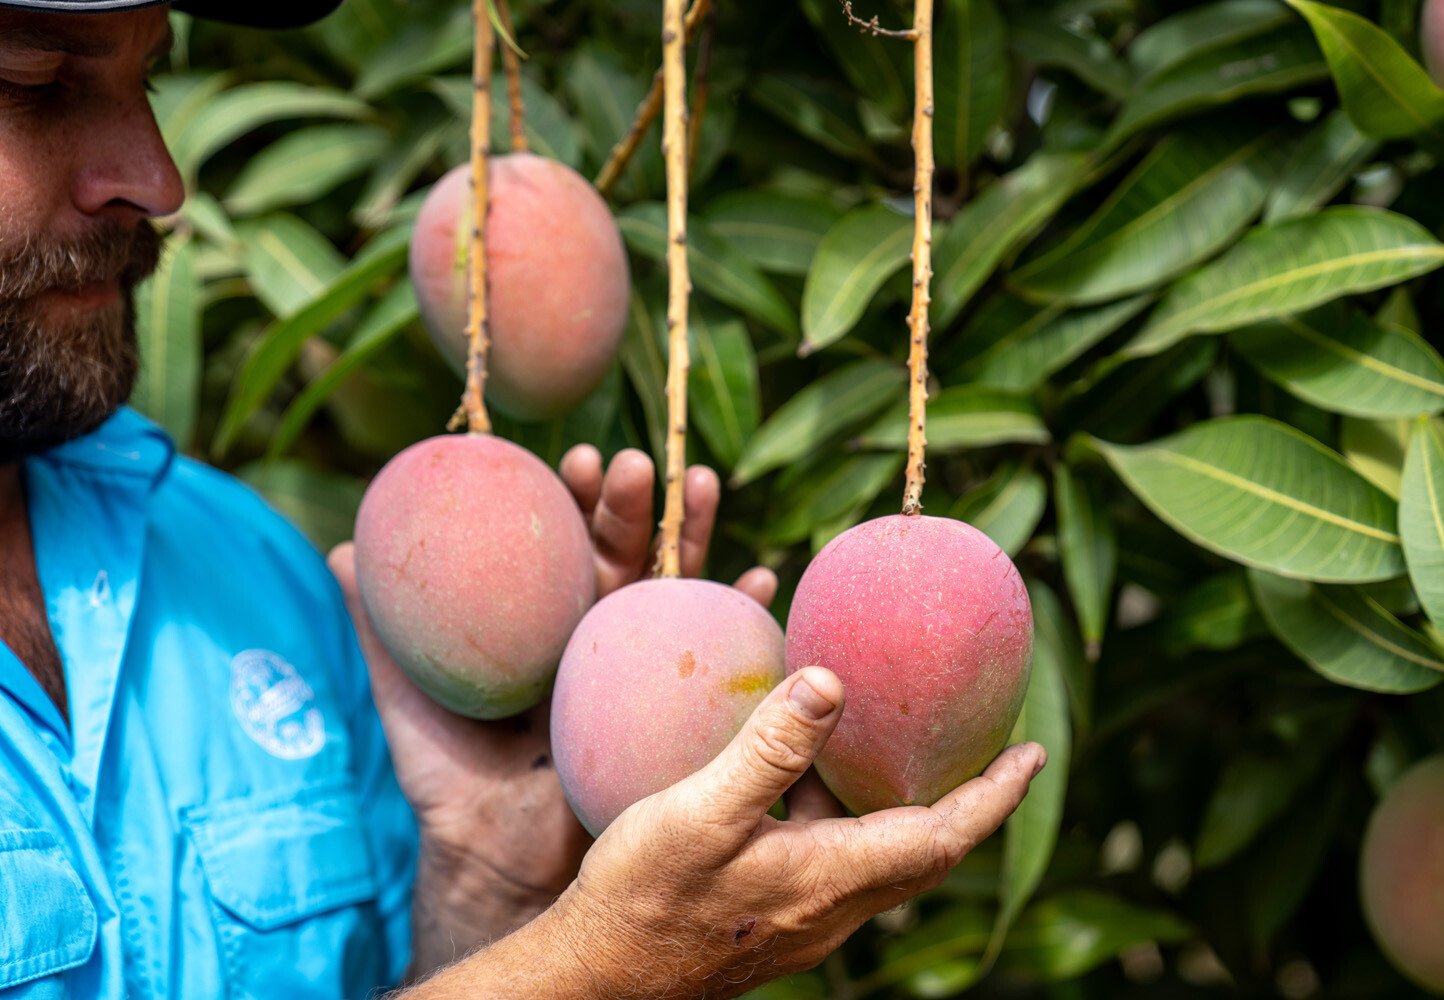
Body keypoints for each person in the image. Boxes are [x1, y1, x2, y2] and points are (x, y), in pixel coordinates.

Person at [0, 1, 1047, 997]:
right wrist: (594, 973)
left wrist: (488, 878)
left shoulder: (252, 576)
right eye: (35, 79)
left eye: (151, 77)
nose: (158, 176)